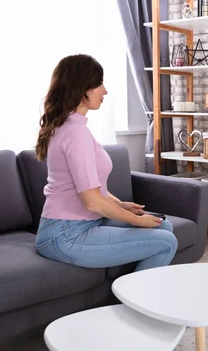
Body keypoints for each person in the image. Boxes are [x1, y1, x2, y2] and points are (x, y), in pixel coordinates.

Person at [34, 54, 178, 271]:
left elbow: (90, 186)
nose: (105, 91)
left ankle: (144, 292)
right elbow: (92, 202)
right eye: (99, 84)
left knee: (163, 225)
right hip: (66, 234)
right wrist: (135, 220)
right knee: (166, 242)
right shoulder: (74, 133)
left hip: (83, 223)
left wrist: (119, 205)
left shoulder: (73, 127)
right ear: (81, 88)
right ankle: (137, 302)